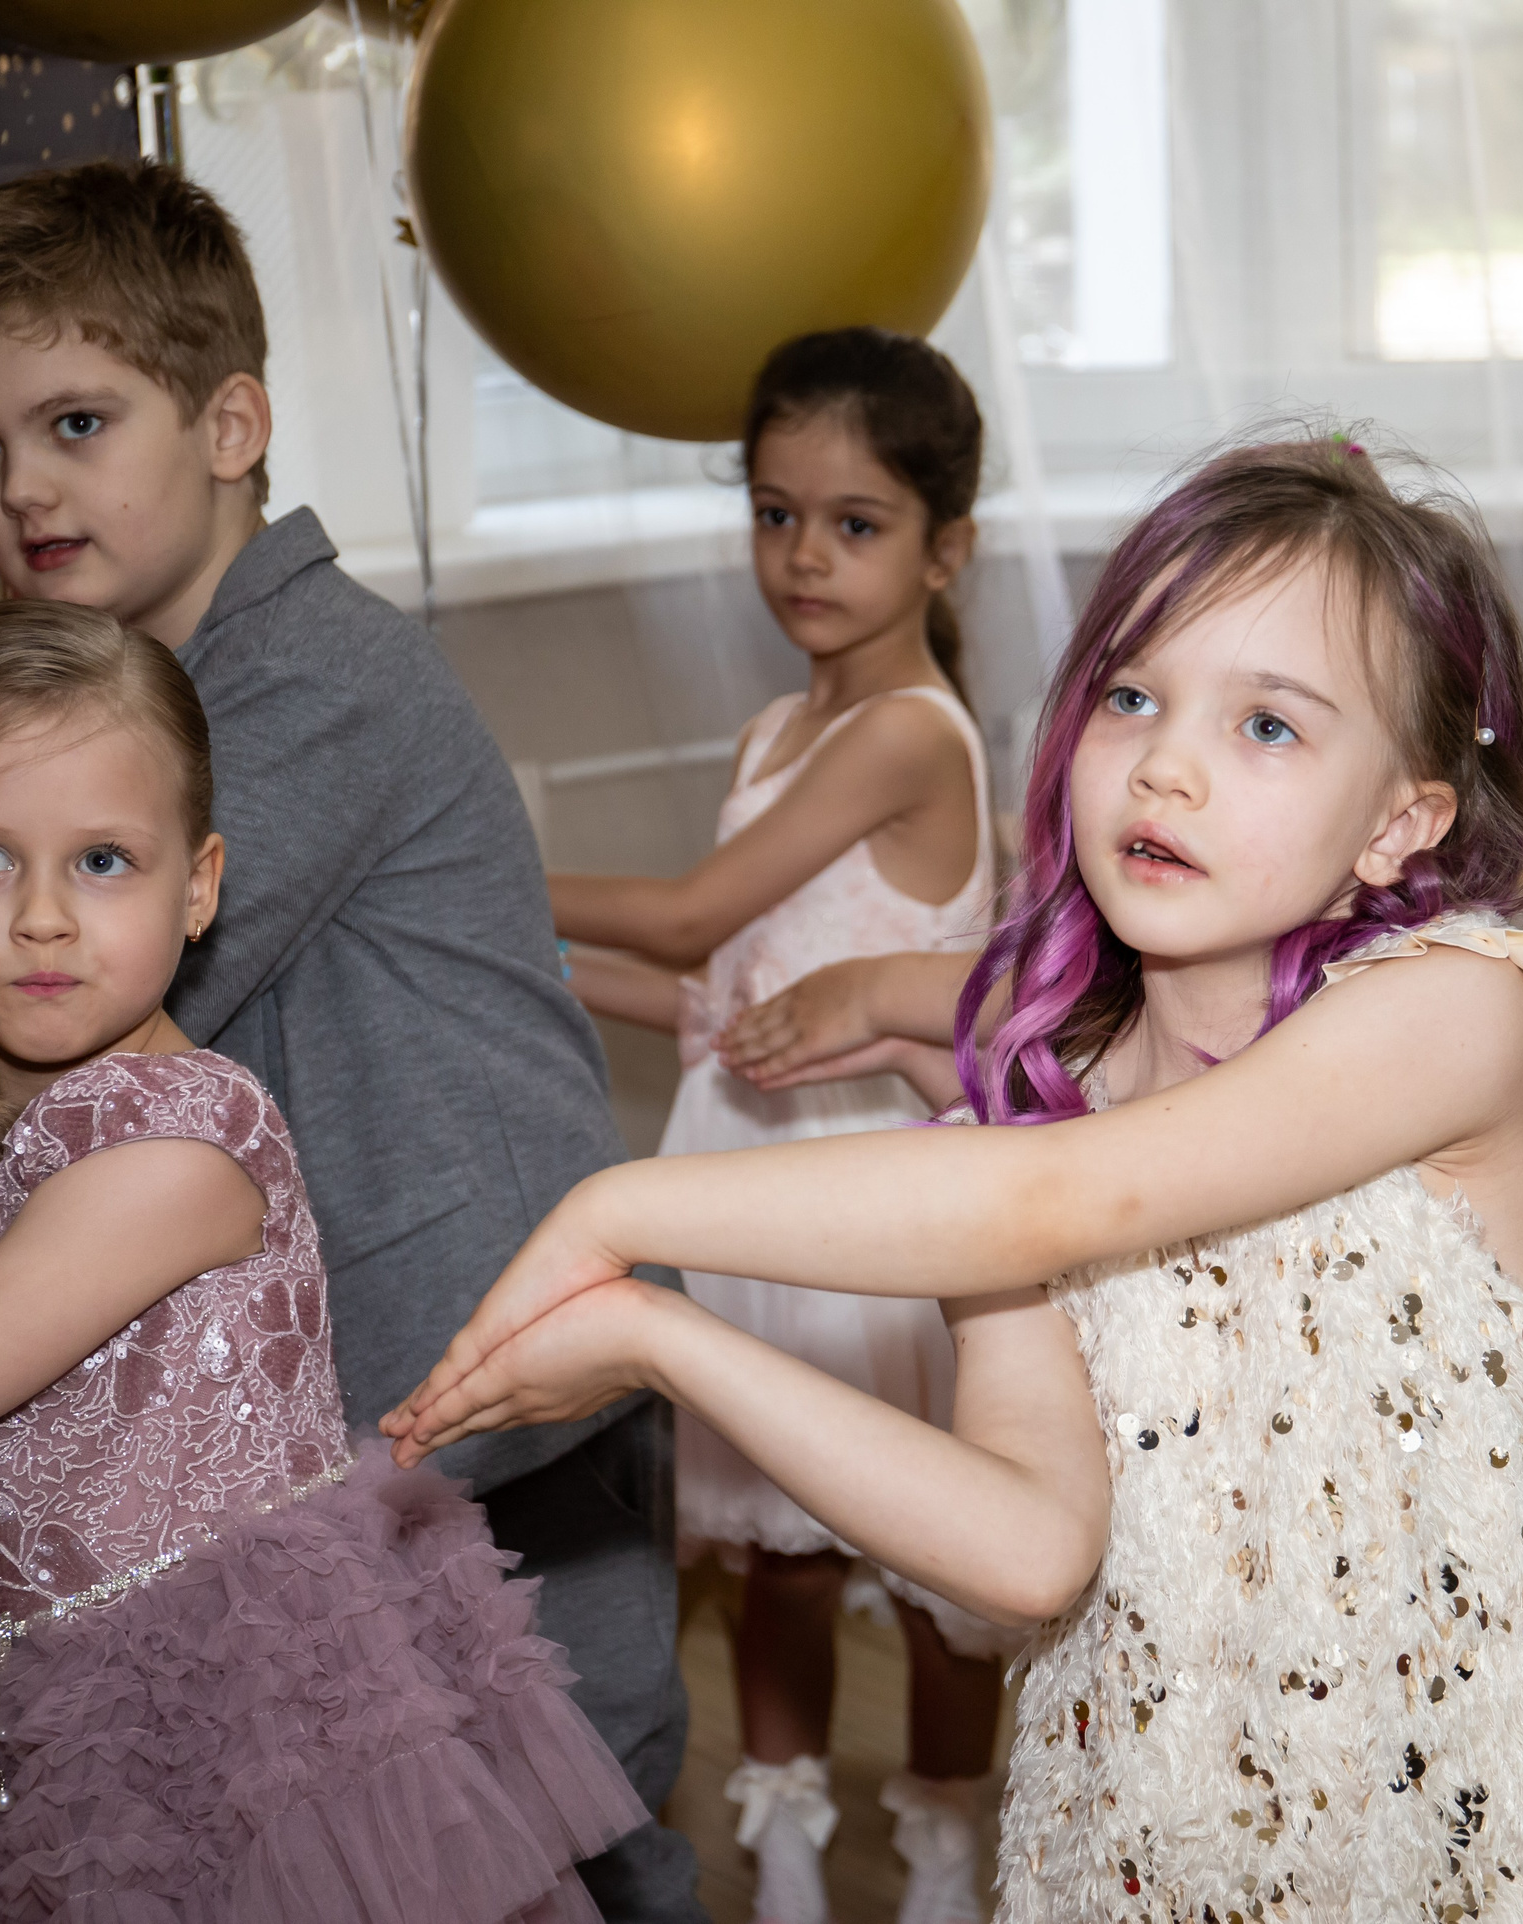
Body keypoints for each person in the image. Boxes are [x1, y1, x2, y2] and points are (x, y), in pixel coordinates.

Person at [386, 436, 1523, 1923]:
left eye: (1267, 725)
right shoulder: (1031, 1119)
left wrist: (616, 1208)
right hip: (1148, 1859)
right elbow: (1026, 1551)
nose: (1164, 763)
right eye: (1132, 695)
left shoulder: (1452, 1012)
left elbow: (1057, 1201)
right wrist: (660, 1333)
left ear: (1400, 823)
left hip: (1452, 1865)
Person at [0, 161, 704, 1921]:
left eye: (77, 422)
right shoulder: (123, 717)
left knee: (570, 1818)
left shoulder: (313, 678)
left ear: (233, 424)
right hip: (347, 1410)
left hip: (490, 1378)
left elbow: (15, 1045)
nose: (20, 486)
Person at [0, 602, 649, 1921]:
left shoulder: (177, 1152)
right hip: (29, 1737)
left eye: (103, 860)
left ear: (200, 885)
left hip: (235, 1760)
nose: (42, 917)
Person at [549, 328, 1003, 1924]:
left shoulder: (910, 734)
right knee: (775, 1558)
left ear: (947, 547)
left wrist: (469, 865)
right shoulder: (770, 737)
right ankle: (791, 1844)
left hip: (871, 1197)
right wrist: (514, 952)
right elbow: (707, 992)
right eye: (775, 513)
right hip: (740, 1175)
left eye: (856, 523)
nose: (806, 556)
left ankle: (942, 1843)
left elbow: (687, 915)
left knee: (938, 1571)